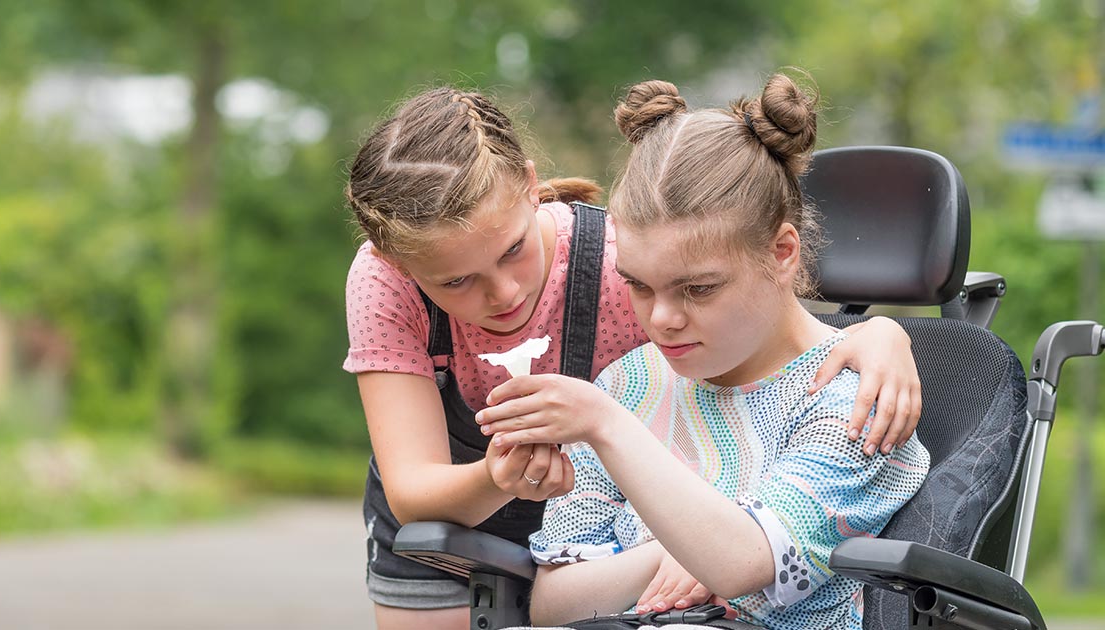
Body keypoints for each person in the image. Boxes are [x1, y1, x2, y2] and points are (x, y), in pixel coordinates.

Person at [343, 85, 923, 630]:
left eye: (694, 290)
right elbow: (549, 603)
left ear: (531, 189)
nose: (662, 318)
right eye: (639, 288)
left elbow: (748, 558)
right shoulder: (628, 383)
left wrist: (883, 333)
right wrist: (659, 545)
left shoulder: (847, 400)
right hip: (468, 510)